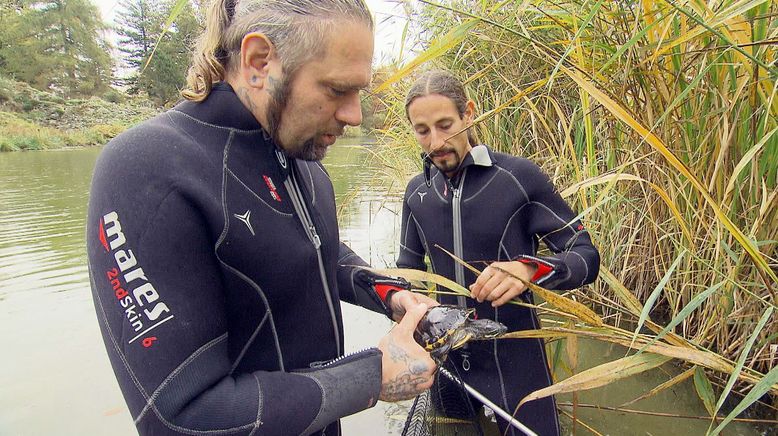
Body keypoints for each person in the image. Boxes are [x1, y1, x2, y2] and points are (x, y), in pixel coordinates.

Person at [86, 1, 438, 435]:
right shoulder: (147, 168)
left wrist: (390, 294)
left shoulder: (304, 163)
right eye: (336, 90)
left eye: (358, 92)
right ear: (258, 62)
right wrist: (369, 378)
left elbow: (316, 253)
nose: (354, 114)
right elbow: (178, 415)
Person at [397, 70, 600, 435]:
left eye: (445, 125)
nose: (436, 141)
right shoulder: (417, 194)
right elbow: (406, 272)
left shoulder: (518, 177)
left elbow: (585, 254)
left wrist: (529, 270)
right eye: (422, 130)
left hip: (517, 361)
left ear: (469, 113)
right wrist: (412, 315)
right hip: (446, 364)